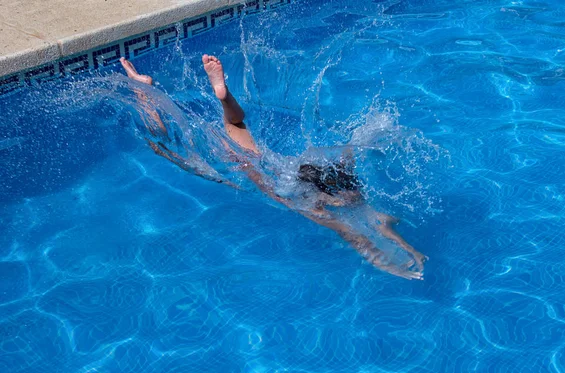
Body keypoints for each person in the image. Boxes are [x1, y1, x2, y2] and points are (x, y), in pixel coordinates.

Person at [119, 56, 427, 280]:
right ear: (333, 195)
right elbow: (356, 232)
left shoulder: (320, 190)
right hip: (237, 165)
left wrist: (399, 252)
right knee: (163, 146)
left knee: (222, 128)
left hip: (251, 159)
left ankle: (161, 91)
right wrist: (385, 259)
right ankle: (146, 92)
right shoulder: (311, 202)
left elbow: (372, 223)